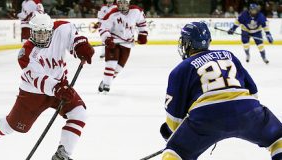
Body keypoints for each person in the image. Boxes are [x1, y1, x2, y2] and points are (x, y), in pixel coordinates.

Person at [0, 13, 94, 160]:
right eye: (37, 33)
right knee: (12, 125)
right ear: (31, 32)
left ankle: (63, 154)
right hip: (33, 94)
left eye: (44, 33)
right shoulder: (25, 53)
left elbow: (73, 35)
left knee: (79, 113)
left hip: (60, 87)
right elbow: (38, 78)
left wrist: (80, 45)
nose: (40, 37)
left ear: (51, 30)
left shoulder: (61, 28)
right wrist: (57, 88)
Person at [160, 21, 282, 160]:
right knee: (278, 139)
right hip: (247, 109)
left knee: (174, 154)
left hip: (206, 117)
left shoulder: (181, 69)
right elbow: (253, 92)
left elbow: (174, 121)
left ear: (186, 43)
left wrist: (174, 137)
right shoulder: (229, 55)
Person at [98, 0, 148, 93]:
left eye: (124, 2)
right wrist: (107, 38)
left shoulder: (136, 11)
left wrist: (143, 34)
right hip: (114, 41)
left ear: (128, 3)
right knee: (111, 63)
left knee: (119, 67)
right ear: (117, 3)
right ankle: (107, 85)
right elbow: (103, 27)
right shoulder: (112, 14)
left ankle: (105, 81)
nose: (122, 5)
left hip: (127, 43)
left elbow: (142, 23)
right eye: (120, 3)